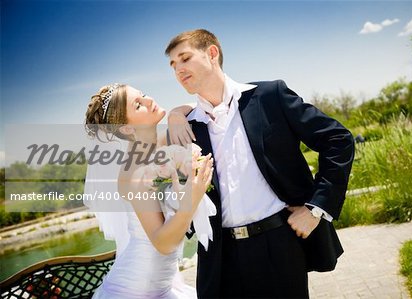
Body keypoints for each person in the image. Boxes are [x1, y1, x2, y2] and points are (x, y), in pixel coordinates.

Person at [165, 29, 355, 298]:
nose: (178, 70)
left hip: (278, 244)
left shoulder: (269, 96)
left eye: (184, 58)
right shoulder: (187, 125)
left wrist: (316, 208)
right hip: (220, 255)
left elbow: (338, 140)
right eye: (173, 65)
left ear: (212, 53)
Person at [83, 83, 215, 299]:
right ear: (126, 128)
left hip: (163, 283)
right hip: (136, 289)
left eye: (142, 94)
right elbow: (163, 243)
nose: (149, 100)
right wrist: (192, 196)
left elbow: (200, 105)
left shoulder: (160, 144)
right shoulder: (133, 173)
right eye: (138, 105)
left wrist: (176, 114)